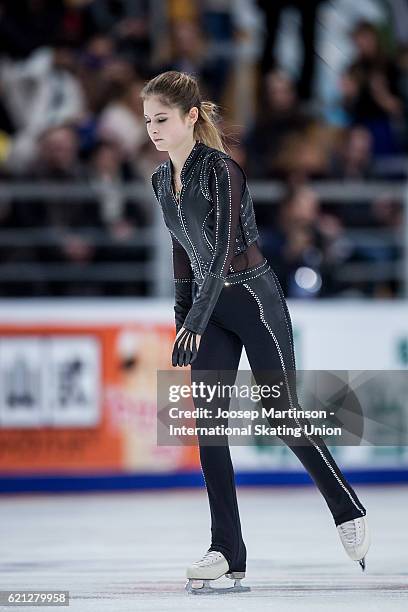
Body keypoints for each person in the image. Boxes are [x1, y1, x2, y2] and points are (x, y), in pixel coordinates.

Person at [141, 70, 371, 595]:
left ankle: (345, 504)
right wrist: (185, 320)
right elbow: (183, 252)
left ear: (190, 117)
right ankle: (228, 550)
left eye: (162, 119)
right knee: (210, 426)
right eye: (148, 120)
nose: (153, 129)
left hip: (252, 301)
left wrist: (194, 321)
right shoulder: (161, 180)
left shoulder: (221, 170)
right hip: (208, 308)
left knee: (281, 412)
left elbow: (219, 253)